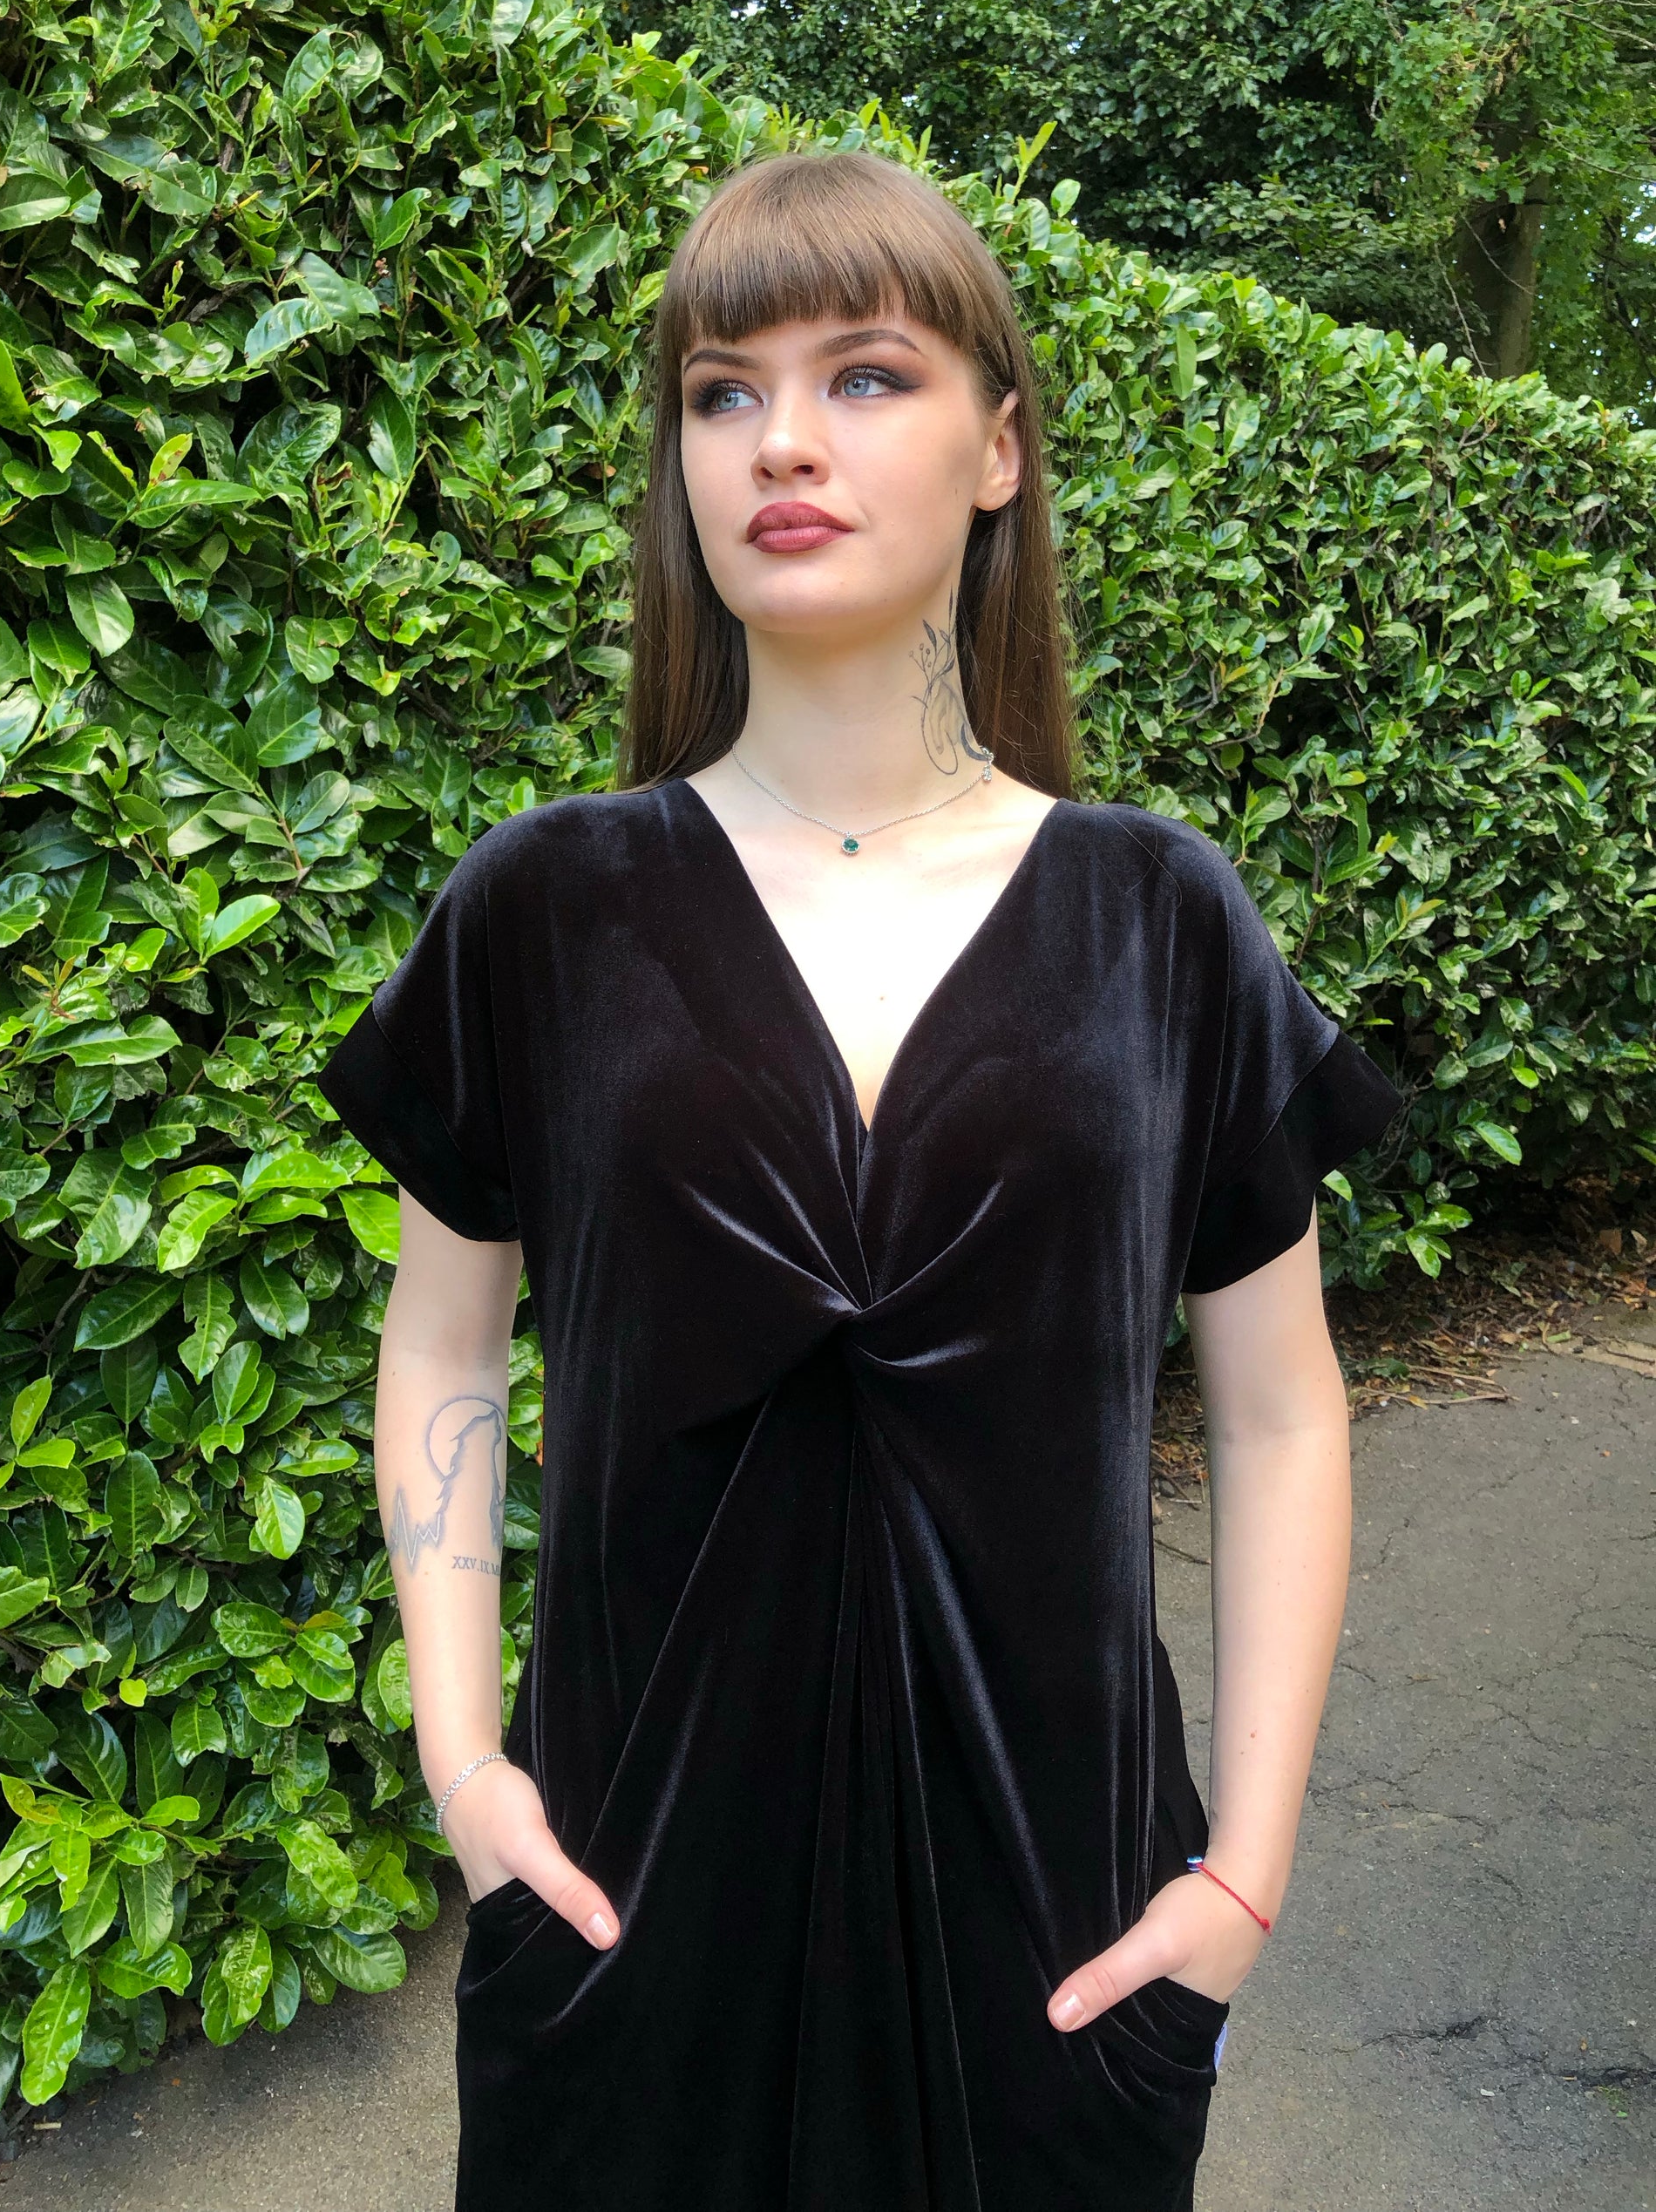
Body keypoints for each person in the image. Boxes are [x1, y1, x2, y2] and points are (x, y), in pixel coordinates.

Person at [317, 148, 1401, 2212]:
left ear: (1000, 448)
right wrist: (471, 1776)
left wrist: (1243, 1870)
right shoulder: (545, 905)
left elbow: (1279, 1405)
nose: (781, 440)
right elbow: (441, 1338)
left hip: (1057, 1935)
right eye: (719, 391)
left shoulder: (1160, 920)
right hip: (625, 1895)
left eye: (865, 375)